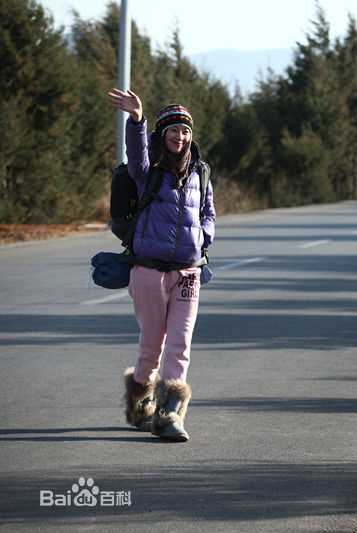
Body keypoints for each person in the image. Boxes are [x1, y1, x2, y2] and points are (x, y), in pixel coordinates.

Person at [107, 88, 216, 442]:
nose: (180, 137)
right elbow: (135, 151)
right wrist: (137, 119)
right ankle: (141, 400)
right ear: (162, 134)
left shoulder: (200, 171)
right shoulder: (147, 170)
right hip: (148, 270)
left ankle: (170, 412)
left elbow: (208, 212)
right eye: (173, 130)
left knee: (180, 343)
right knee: (152, 343)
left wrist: (204, 239)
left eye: (185, 131)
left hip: (187, 271)